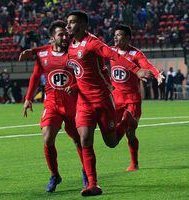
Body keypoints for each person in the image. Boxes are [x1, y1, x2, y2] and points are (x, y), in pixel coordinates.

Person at [66, 10, 153, 196]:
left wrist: (136, 71)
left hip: (102, 100)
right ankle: (93, 184)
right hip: (83, 102)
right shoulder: (70, 45)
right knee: (85, 141)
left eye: (72, 22)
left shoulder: (93, 43)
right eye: (68, 23)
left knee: (111, 143)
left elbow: (115, 56)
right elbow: (79, 72)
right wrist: (74, 85)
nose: (68, 26)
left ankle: (125, 121)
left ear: (82, 24)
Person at [21, 20, 86, 193]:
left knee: (79, 140)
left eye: (66, 34)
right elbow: (35, 76)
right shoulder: (43, 56)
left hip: (73, 104)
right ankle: (54, 174)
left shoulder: (74, 53)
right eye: (61, 34)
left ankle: (86, 170)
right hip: (52, 103)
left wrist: (74, 87)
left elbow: (84, 77)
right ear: (52, 38)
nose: (65, 37)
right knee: (48, 138)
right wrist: (28, 98)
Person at [110, 24, 164, 172]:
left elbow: (146, 65)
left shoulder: (135, 54)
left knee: (130, 132)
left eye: (119, 35)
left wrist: (157, 74)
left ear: (127, 37)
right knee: (111, 132)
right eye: (114, 35)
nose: (115, 37)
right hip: (116, 99)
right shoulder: (111, 51)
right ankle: (123, 125)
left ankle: (134, 163)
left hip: (132, 99)